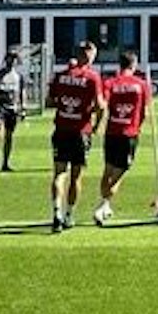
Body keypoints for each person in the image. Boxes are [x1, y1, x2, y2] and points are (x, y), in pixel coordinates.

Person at [45, 41, 106, 232]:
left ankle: (56, 213)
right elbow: (100, 105)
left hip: (61, 129)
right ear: (91, 56)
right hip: (81, 131)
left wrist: (65, 105)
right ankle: (70, 214)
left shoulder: (61, 76)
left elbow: (49, 100)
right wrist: (96, 125)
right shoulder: (92, 77)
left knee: (59, 173)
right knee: (76, 176)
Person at [92, 51, 157, 226]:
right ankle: (102, 206)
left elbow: (103, 105)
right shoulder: (142, 85)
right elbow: (144, 112)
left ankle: (106, 206)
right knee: (120, 173)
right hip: (129, 134)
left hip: (112, 132)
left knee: (108, 170)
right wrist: (139, 126)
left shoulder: (110, 83)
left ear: (119, 64)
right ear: (134, 64)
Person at [0, 50, 24, 172]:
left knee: (9, 136)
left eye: (14, 58)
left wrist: (23, 108)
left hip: (12, 109)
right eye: (10, 58)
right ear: (6, 59)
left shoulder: (19, 77)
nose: (12, 61)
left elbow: (22, 92)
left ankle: (5, 163)